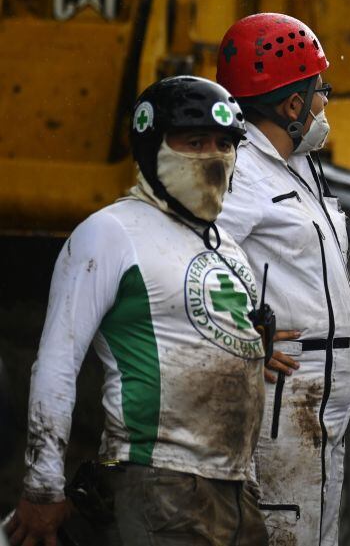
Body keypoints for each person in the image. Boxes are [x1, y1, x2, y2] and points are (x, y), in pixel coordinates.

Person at [5, 76, 268, 545]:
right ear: (151, 145)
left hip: (236, 488)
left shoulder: (227, 246)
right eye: (194, 141)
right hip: (158, 483)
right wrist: (43, 484)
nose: (213, 155)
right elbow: (58, 364)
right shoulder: (109, 232)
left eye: (224, 143)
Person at [215, 13, 350, 546]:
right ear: (292, 105)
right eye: (320, 92)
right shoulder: (244, 171)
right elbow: (196, 257)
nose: (325, 103)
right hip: (285, 398)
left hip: (318, 403)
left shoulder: (292, 163)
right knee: (282, 532)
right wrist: (238, 330)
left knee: (315, 529)